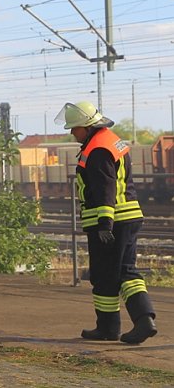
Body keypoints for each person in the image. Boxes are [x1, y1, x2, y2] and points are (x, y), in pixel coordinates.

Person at [55, 101, 157, 344]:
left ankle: (141, 322)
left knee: (115, 272)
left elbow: (105, 188)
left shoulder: (98, 149)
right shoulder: (109, 140)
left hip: (113, 221)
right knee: (110, 273)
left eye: (75, 128)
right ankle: (110, 328)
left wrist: (104, 223)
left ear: (87, 126)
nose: (72, 133)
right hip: (125, 217)